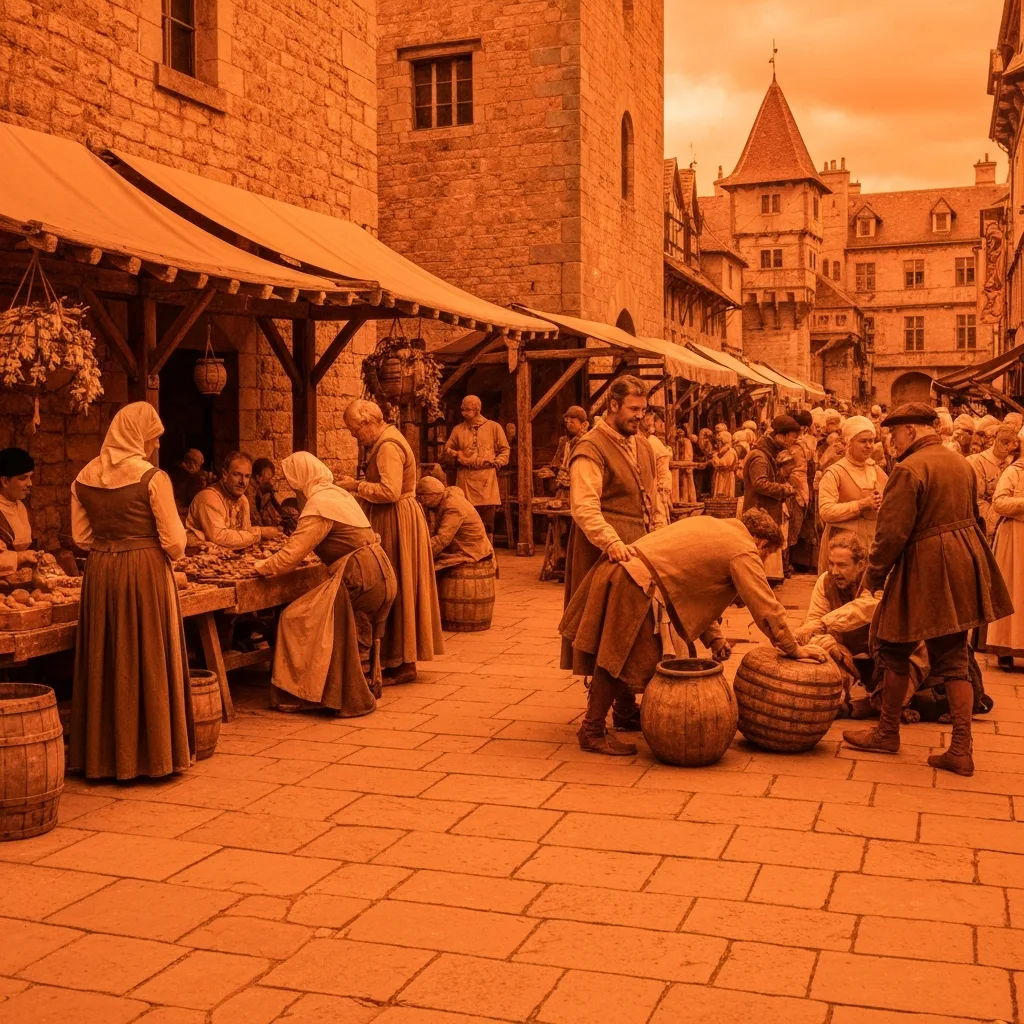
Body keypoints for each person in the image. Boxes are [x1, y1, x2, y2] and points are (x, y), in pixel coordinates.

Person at [561, 508, 827, 755]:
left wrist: (714, 638)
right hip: (635, 584)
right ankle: (592, 730)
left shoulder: (713, 526)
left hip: (622, 572)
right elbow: (765, 605)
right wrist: (792, 647)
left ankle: (626, 713)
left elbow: (692, 587)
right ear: (760, 541)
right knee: (619, 656)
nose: (764, 559)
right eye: (767, 554)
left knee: (627, 653)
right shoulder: (743, 549)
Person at [842, 402, 1012, 777]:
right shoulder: (960, 463)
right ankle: (955, 747)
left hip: (927, 568)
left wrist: (872, 576)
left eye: (894, 433)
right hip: (962, 561)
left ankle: (892, 734)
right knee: (949, 654)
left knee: (892, 643)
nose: (891, 441)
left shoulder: (908, 469)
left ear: (911, 431)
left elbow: (892, 534)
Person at [68, 402, 194, 780]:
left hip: (101, 571)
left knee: (105, 655)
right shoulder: (153, 478)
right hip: (144, 570)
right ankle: (153, 754)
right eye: (153, 437)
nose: (155, 446)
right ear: (139, 436)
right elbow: (174, 542)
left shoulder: (83, 477)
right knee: (150, 652)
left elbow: (81, 538)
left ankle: (103, 756)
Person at [255, 452, 396, 716]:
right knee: (306, 612)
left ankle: (306, 691)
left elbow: (290, 556)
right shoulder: (339, 495)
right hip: (380, 571)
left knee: (293, 617)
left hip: (360, 579)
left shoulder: (319, 505)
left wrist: (260, 567)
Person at [561, 374, 663, 731]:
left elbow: (654, 498)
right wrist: (611, 542)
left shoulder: (644, 445)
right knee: (611, 634)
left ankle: (623, 709)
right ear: (613, 405)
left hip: (641, 550)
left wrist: (662, 538)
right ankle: (593, 725)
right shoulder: (590, 448)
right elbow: (585, 507)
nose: (640, 416)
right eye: (634, 409)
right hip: (606, 554)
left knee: (636, 632)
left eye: (643, 409)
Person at [341, 399, 443, 684]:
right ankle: (394, 657)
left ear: (367, 423)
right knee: (394, 584)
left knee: (395, 583)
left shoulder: (387, 446)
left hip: (397, 521)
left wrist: (356, 486)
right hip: (394, 518)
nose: (354, 436)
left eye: (354, 430)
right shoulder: (385, 441)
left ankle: (402, 661)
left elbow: (389, 491)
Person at [816, 415, 887, 574]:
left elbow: (892, 501)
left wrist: (883, 502)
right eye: (863, 441)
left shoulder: (875, 470)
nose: (869, 446)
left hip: (870, 550)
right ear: (849, 442)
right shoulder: (835, 473)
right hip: (842, 554)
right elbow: (826, 511)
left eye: (871, 441)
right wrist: (861, 505)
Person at [442, 395, 511, 545]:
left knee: (487, 522)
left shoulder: (493, 427)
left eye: (467, 409)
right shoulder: (458, 430)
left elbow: (505, 450)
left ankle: (488, 551)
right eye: (462, 410)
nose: (464, 413)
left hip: (487, 479)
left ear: (477, 409)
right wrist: (457, 454)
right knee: (465, 517)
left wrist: (497, 462)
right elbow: (447, 448)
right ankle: (468, 551)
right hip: (465, 478)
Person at [742, 414, 800, 582]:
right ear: (780, 436)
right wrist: (784, 489)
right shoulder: (760, 456)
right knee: (755, 557)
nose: (792, 442)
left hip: (764, 513)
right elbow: (760, 484)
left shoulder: (769, 453)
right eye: (792, 437)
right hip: (758, 514)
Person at [983, 435, 1024, 667]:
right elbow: (999, 502)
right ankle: (1004, 647)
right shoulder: (1014, 472)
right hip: (1014, 539)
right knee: (1011, 588)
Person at [186, 452, 282, 550]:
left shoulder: (243, 500)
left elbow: (246, 533)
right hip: (199, 559)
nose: (243, 482)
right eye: (237, 474)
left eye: (247, 476)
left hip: (225, 557)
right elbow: (219, 537)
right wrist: (260, 533)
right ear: (225, 474)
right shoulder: (208, 498)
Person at [415, 475, 494, 572]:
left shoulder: (453, 507)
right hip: (458, 548)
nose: (422, 503)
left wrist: (418, 553)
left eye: (422, 498)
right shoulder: (442, 500)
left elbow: (442, 539)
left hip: (471, 551)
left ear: (432, 496)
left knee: (427, 568)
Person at [968, 423, 1018, 539]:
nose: (1007, 447)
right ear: (994, 439)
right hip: (985, 527)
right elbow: (977, 500)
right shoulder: (978, 462)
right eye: (1004, 442)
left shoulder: (1013, 464)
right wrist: (993, 525)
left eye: (1012, 444)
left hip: (1007, 527)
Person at [0, 447, 38, 579]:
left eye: (30, 477)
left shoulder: (20, 507)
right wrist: (20, 557)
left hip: (19, 581)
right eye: (23, 478)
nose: (30, 483)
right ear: (5, 481)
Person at [548, 406, 589, 499]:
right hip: (564, 489)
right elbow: (555, 462)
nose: (568, 425)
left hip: (581, 490)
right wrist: (553, 470)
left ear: (583, 424)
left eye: (572, 422)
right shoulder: (564, 441)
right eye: (567, 422)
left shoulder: (586, 442)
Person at [169, 448, 207, 513]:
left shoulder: (173, 470)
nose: (199, 469)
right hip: (178, 511)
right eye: (198, 465)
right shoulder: (188, 477)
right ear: (190, 463)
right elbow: (195, 502)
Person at [709, 428, 737, 498]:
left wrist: (715, 457)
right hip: (721, 475)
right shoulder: (722, 451)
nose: (718, 444)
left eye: (719, 441)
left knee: (725, 495)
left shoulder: (730, 451)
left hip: (726, 476)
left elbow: (724, 464)